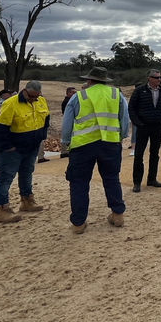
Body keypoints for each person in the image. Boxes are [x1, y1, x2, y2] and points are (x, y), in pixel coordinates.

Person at [61, 66, 129, 233]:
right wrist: (121, 136)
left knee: (79, 183)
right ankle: (117, 214)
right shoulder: (116, 95)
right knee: (112, 179)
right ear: (105, 81)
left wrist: (66, 141)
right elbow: (124, 119)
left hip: (83, 145)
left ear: (89, 81)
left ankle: (78, 223)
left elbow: (67, 122)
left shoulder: (79, 96)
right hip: (110, 143)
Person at [0, 80, 49, 223]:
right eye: (31, 96)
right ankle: (1, 209)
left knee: (26, 173)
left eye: (36, 96)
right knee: (6, 178)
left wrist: (41, 137)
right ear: (25, 91)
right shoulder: (11, 103)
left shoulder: (41, 101)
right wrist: (8, 146)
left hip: (32, 147)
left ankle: (27, 201)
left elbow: (46, 120)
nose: (34, 99)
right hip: (13, 150)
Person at [128, 69, 161, 192]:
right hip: (143, 126)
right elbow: (131, 108)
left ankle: (152, 179)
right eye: (156, 77)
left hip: (157, 126)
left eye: (160, 77)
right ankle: (137, 182)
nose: (159, 79)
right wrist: (138, 123)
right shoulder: (139, 91)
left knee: (155, 153)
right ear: (149, 78)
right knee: (139, 155)